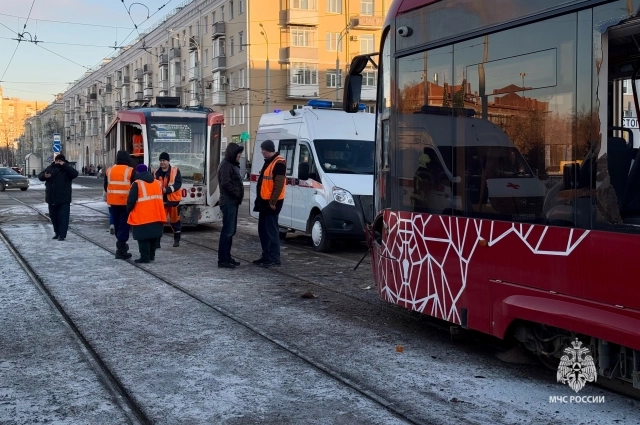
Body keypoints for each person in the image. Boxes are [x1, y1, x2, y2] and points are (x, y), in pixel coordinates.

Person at [252, 140, 286, 267]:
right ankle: (266, 255)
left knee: (271, 231)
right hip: (264, 202)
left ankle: (273, 257)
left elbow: (279, 184)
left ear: (267, 149)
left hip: (271, 203)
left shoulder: (278, 163)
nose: (261, 152)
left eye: (262, 150)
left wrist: (273, 201)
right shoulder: (269, 162)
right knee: (263, 230)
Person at [127, 164, 165, 263]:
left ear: (137, 172)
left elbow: (131, 200)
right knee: (153, 236)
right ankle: (151, 255)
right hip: (157, 215)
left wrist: (128, 210)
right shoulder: (157, 183)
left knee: (143, 238)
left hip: (142, 216)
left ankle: (144, 257)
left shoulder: (137, 183)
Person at [38, 154, 79, 241]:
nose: (58, 162)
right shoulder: (50, 168)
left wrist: (64, 165)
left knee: (63, 217)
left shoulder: (67, 169)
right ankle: (57, 233)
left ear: (63, 161)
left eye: (60, 161)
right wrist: (44, 176)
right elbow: (40, 176)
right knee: (54, 217)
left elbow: (75, 174)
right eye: (57, 161)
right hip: (51, 197)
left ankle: (62, 235)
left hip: (64, 198)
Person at [217, 142, 245, 269]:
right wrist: (236, 194)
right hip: (229, 202)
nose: (239, 155)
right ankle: (223, 259)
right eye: (238, 153)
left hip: (232, 202)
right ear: (233, 153)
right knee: (227, 231)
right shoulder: (226, 165)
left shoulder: (230, 165)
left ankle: (226, 257)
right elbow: (226, 183)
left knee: (230, 231)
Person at [105, 150, 136, 259]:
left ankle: (121, 244)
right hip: (125, 203)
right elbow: (134, 187)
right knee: (124, 224)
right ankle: (121, 248)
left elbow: (105, 186)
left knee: (117, 224)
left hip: (113, 202)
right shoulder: (130, 171)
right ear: (128, 159)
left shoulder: (109, 170)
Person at [154, 152, 183, 247]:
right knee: (159, 222)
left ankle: (176, 240)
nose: (162, 162)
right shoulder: (155, 173)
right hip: (161, 201)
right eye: (161, 160)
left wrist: (168, 190)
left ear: (168, 161)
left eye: (164, 160)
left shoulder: (175, 171)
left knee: (175, 221)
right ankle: (157, 242)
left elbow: (178, 184)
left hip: (173, 201)